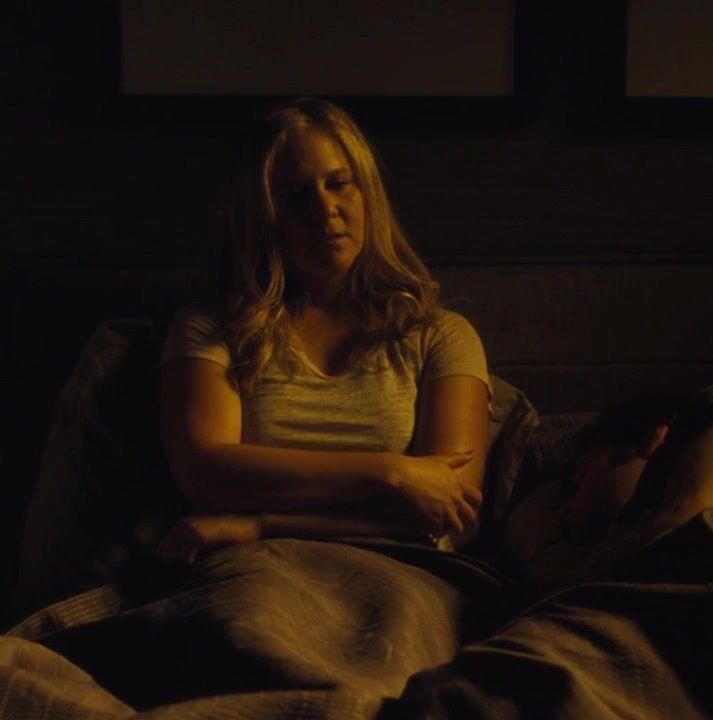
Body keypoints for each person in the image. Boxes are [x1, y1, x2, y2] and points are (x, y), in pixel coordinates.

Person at [152, 98, 491, 563]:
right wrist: (393, 474)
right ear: (263, 213)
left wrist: (262, 522)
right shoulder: (215, 328)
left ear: (367, 193)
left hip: (401, 567)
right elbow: (206, 473)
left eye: (339, 184)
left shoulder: (440, 336)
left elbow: (451, 508)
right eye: (295, 195)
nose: (324, 208)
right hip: (256, 566)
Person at [502, 379, 713, 585]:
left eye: (577, 478)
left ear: (653, 437)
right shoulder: (619, 539)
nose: (568, 512)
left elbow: (703, 525)